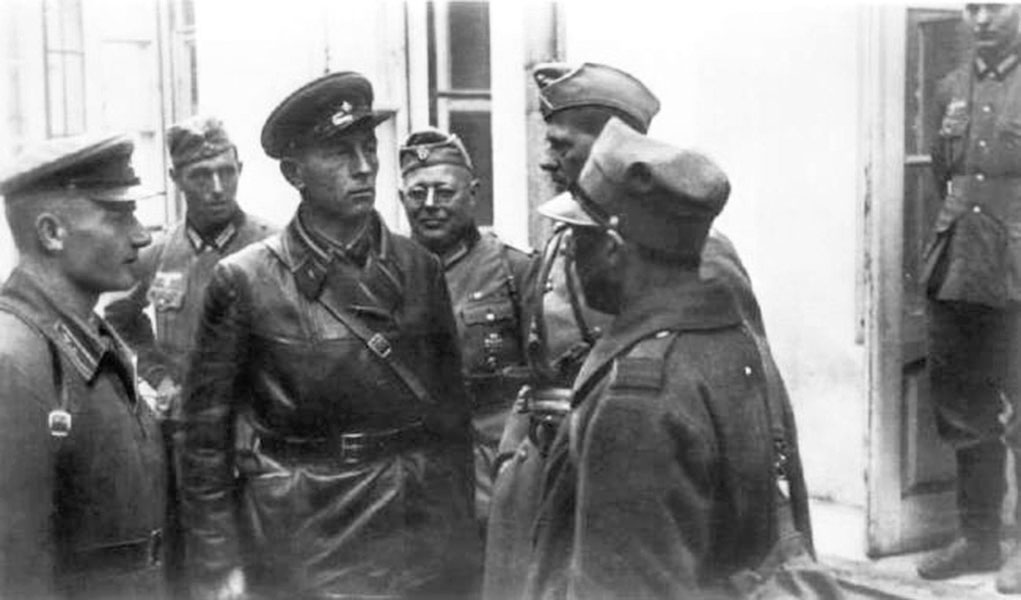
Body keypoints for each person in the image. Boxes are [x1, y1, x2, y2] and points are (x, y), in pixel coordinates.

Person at [484, 62, 814, 600]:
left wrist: (781, 525)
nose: (546, 159)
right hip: (556, 475)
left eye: (562, 145)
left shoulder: (696, 254)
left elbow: (753, 396)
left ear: (611, 141)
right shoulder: (566, 237)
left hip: (637, 474)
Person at [179, 71, 480, 600]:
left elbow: (452, 421)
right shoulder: (245, 280)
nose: (364, 167)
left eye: (369, 148)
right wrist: (218, 563)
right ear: (294, 173)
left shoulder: (419, 268)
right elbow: (205, 438)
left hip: (414, 527)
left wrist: (459, 545)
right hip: (302, 532)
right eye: (341, 153)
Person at [103, 116, 276, 594]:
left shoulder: (272, 247)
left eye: (227, 171)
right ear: (176, 179)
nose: (217, 187)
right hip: (183, 438)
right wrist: (159, 378)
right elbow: (119, 317)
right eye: (201, 175)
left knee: (256, 567)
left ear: (240, 169)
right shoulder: (157, 252)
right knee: (188, 567)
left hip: (254, 438)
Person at [0, 133, 167, 598]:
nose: (142, 235)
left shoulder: (86, 335)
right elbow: (14, 571)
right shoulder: (14, 359)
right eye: (118, 215)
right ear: (52, 233)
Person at [918, 4, 1021, 591]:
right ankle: (978, 538)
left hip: (1017, 271)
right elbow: (942, 174)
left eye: (996, 6)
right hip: (956, 265)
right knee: (964, 409)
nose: (981, 19)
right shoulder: (950, 88)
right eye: (972, 7)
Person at [397, 128, 538, 528]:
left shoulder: (514, 271)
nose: (430, 205)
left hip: (492, 471)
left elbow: (544, 380)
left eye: (444, 192)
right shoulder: (384, 273)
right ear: (401, 199)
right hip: (412, 477)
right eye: (417, 193)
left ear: (472, 194)